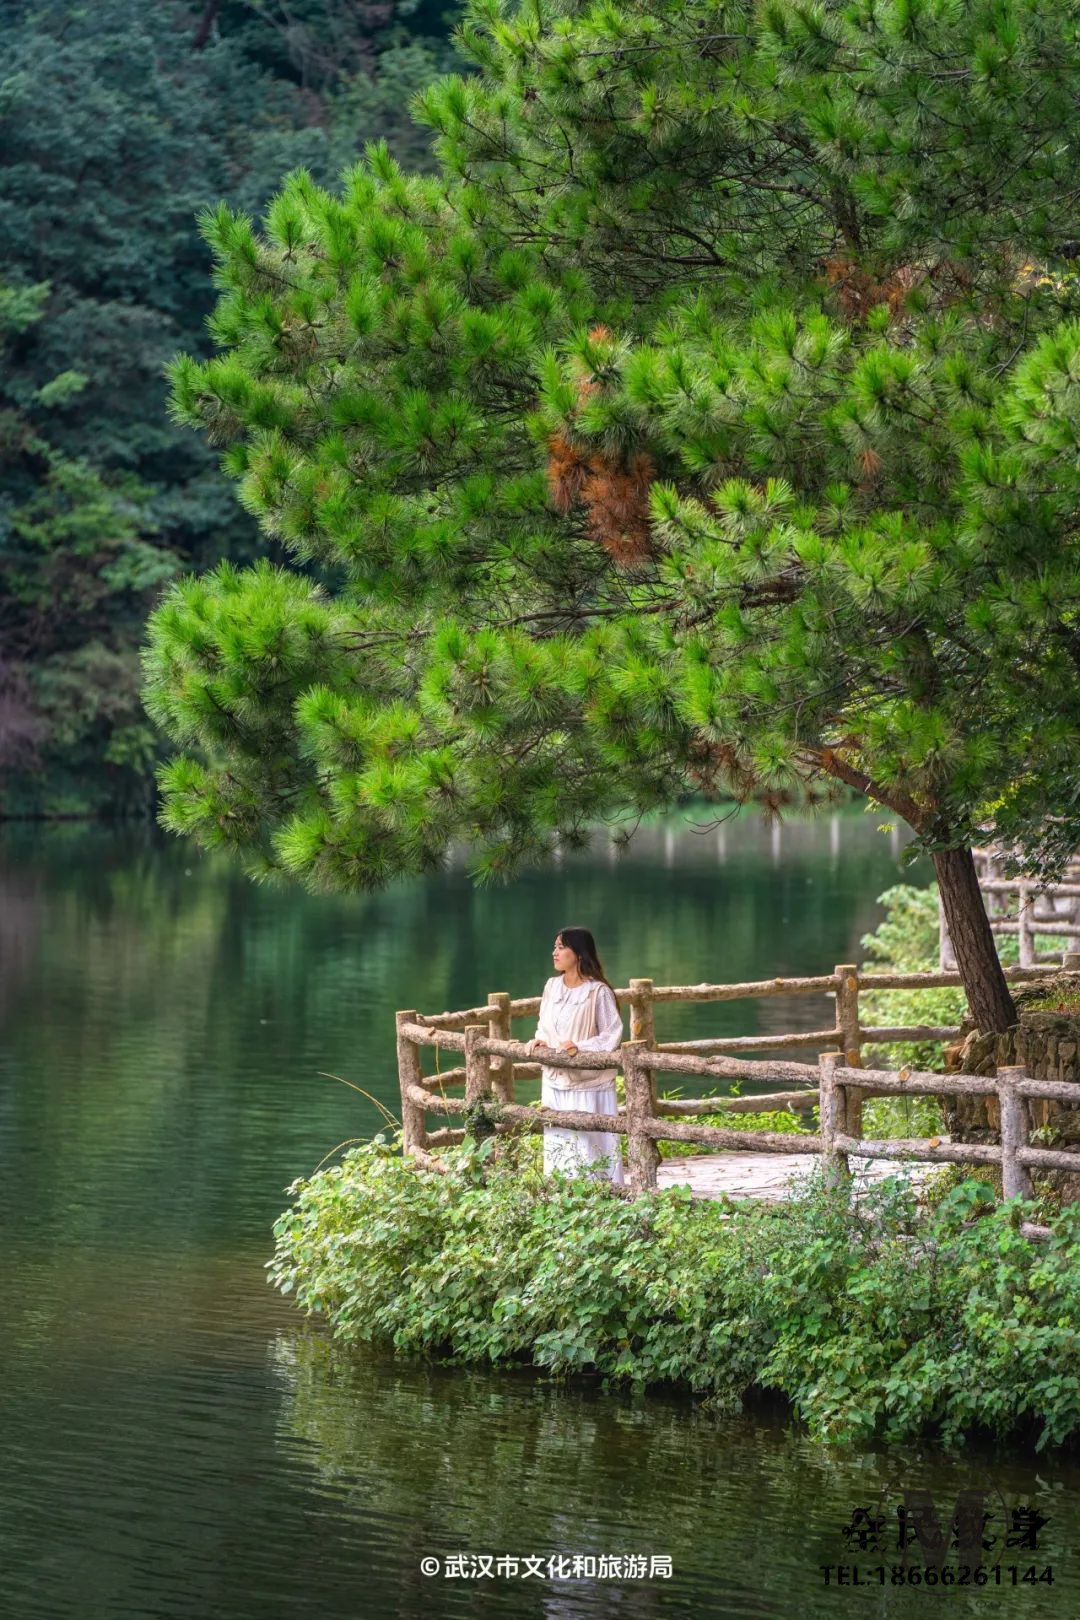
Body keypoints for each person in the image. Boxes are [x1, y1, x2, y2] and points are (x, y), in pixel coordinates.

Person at [525, 927, 626, 1187]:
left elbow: (611, 1034)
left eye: (561, 947)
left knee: (589, 1145)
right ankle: (561, 1196)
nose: (554, 952)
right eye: (555, 946)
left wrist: (578, 1047)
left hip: (587, 1083)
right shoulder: (551, 987)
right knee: (559, 1141)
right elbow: (544, 1025)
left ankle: (602, 1194)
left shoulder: (597, 992)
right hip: (555, 1079)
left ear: (578, 954)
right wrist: (541, 1040)